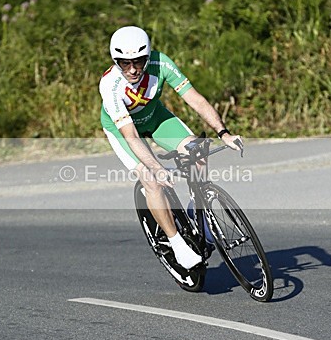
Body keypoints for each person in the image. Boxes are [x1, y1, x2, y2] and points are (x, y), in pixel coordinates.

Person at [99, 26, 243, 269]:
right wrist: (156, 167)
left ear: (148, 57)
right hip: (124, 131)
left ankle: (197, 209)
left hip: (155, 117)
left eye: (139, 62)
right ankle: (177, 243)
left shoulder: (161, 63)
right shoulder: (110, 85)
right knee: (151, 180)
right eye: (125, 63)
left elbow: (195, 98)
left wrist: (224, 133)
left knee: (198, 150)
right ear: (116, 61)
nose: (133, 69)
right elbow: (131, 136)